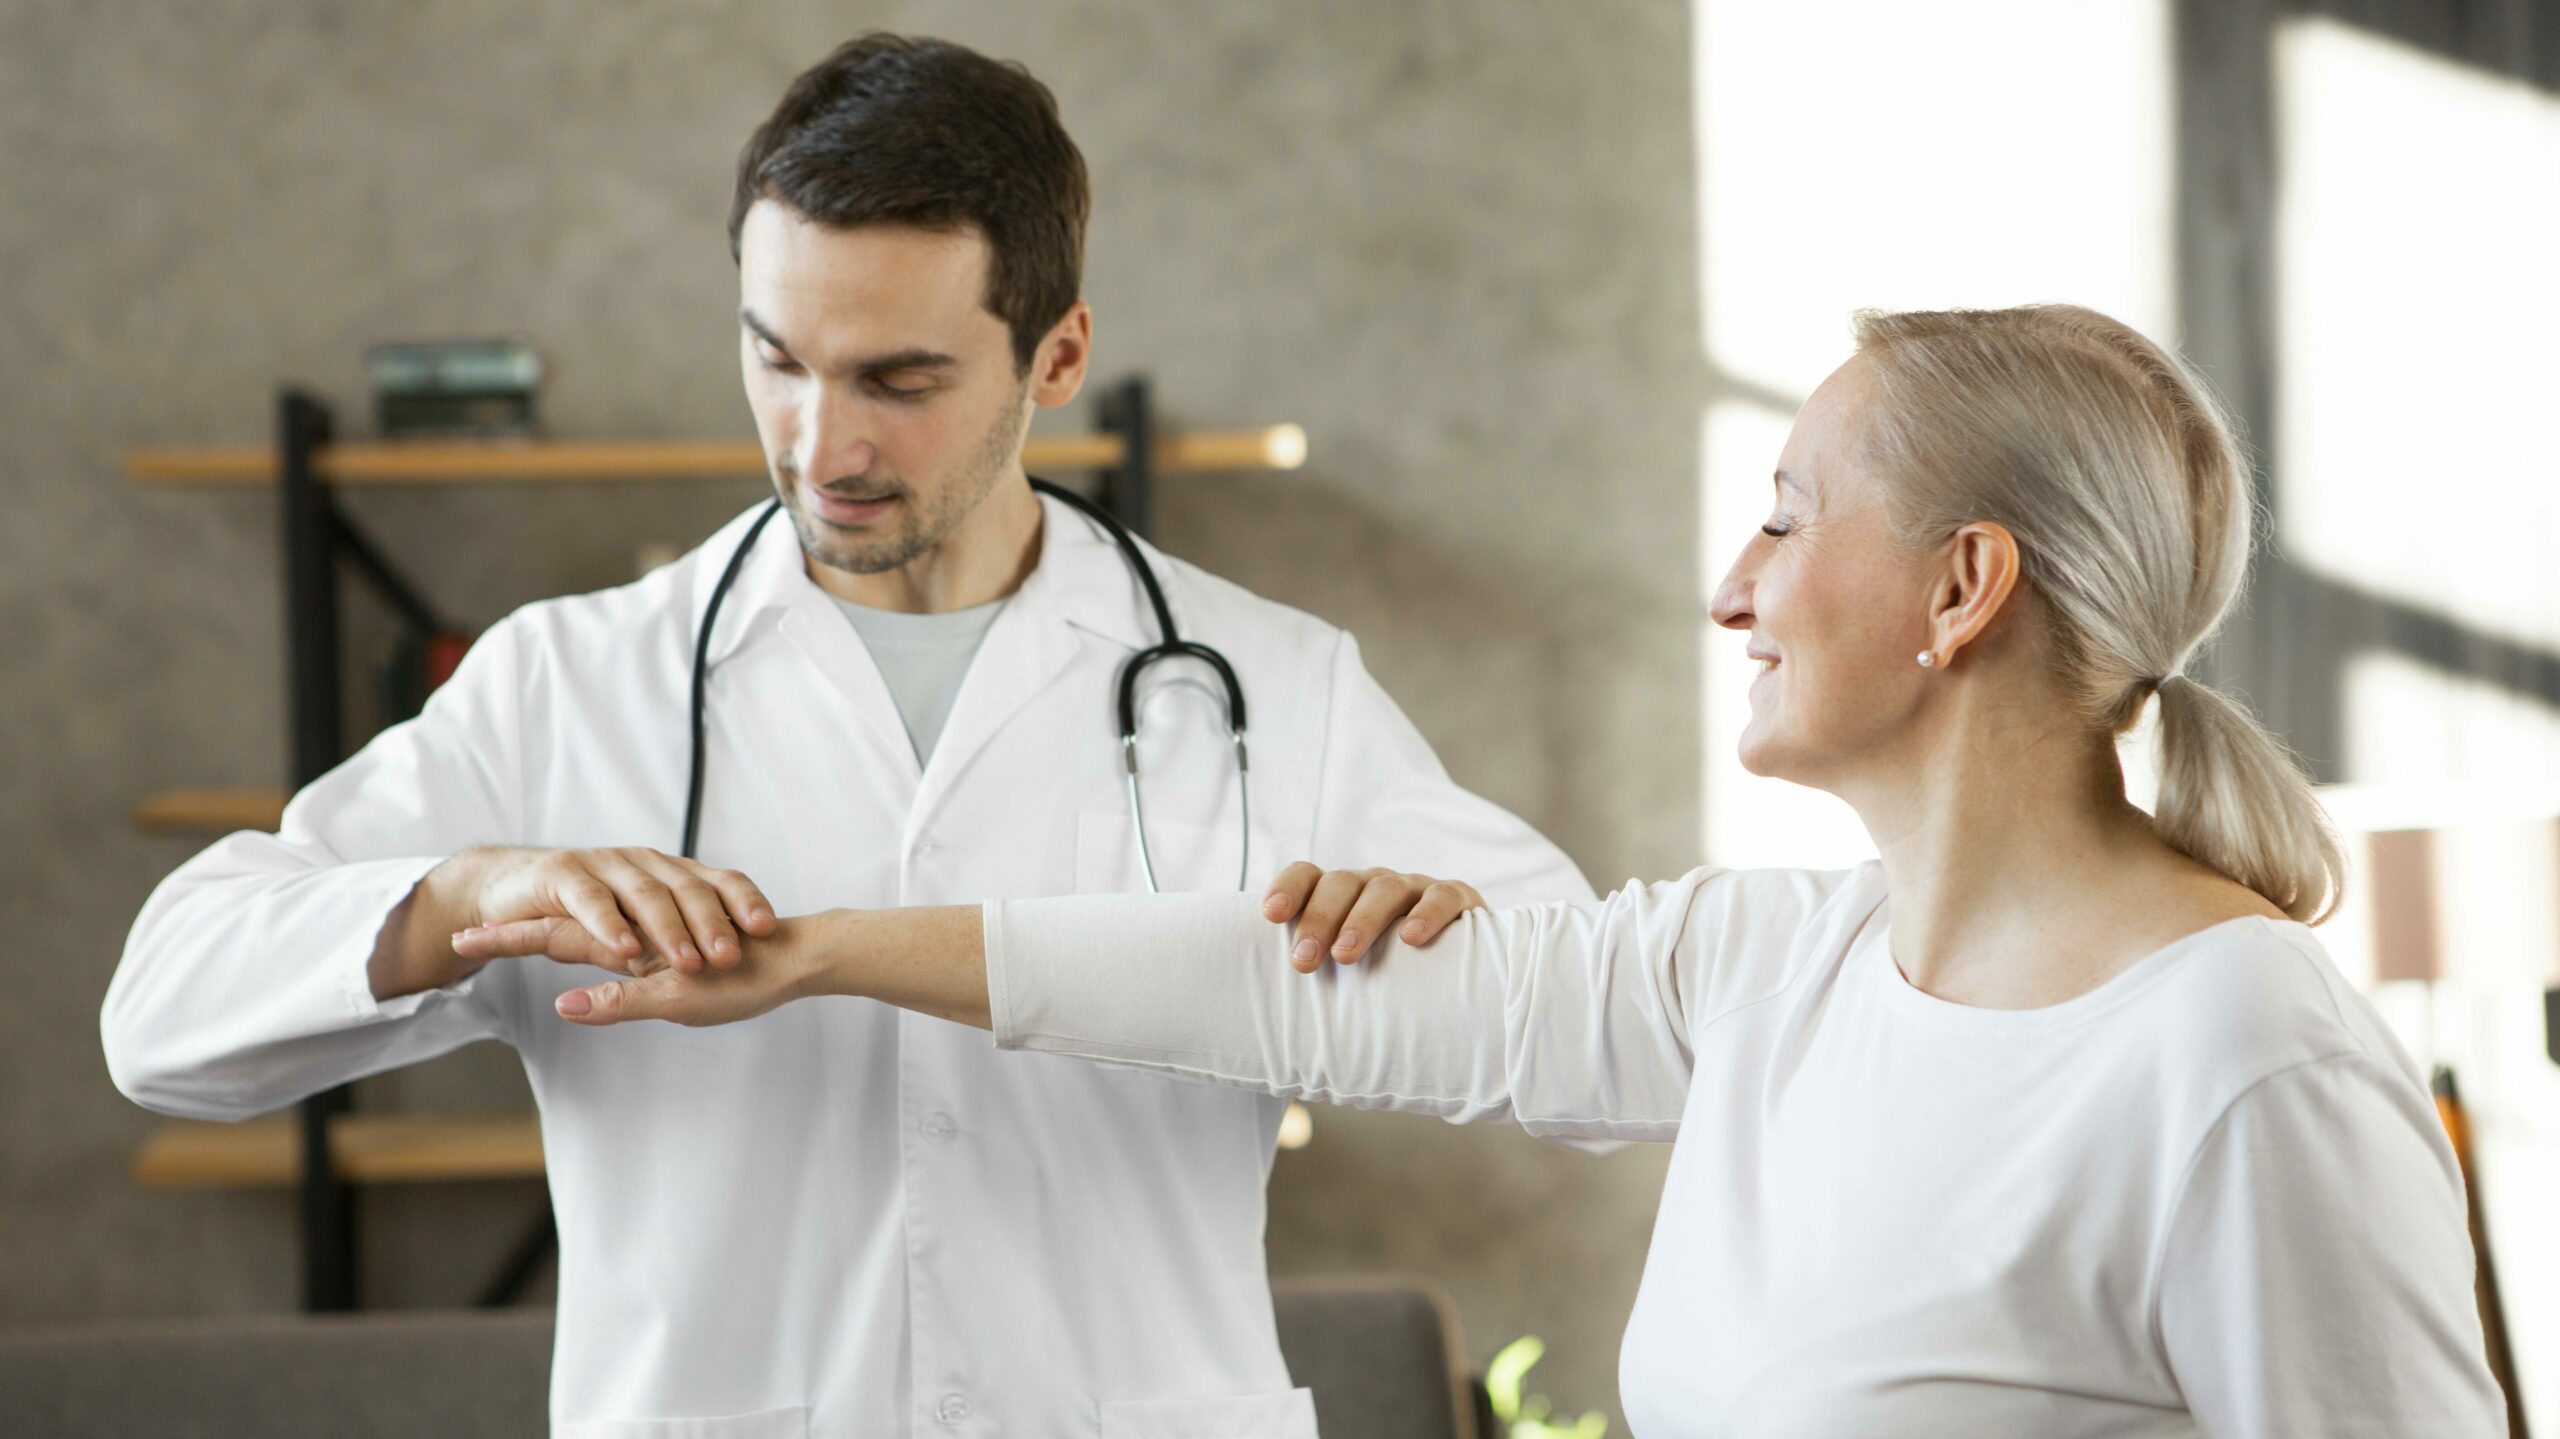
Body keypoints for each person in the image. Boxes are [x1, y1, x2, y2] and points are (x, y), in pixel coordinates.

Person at [492, 306, 2511, 1436]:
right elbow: (1275, 987)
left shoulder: (2234, 1049)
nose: (1732, 587)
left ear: (1959, 590)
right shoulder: (1769, 968)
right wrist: (825, 949)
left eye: (1792, 520)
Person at [100, 32, 1591, 1437]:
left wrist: (1429, 933)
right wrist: (461, 898)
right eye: (779, 360)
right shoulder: (571, 683)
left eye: (899, 379)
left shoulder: (1263, 684)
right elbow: (162, 1023)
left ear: (1056, 357)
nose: (823, 446)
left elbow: (1599, 1040)